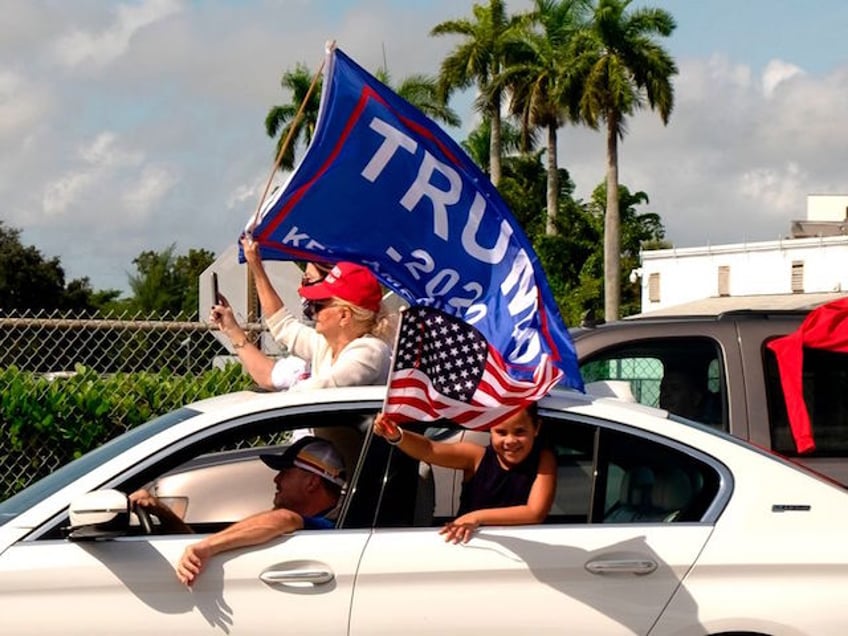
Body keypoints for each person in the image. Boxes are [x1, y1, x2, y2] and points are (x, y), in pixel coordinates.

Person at [129, 435, 346, 586]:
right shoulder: (305, 525)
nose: (276, 478)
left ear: (311, 482)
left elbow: (284, 518)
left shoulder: (329, 525)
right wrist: (161, 511)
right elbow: (199, 551)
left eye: (285, 472)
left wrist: (206, 547)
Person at [210, 235, 392, 391]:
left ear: (344, 316)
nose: (312, 311)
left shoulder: (370, 351)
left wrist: (267, 406)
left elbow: (322, 389)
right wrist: (256, 266)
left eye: (319, 305)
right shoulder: (328, 346)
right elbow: (283, 325)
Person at [372, 405, 556, 543]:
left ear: (536, 428)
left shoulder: (543, 460)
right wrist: (396, 435)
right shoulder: (476, 457)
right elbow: (430, 449)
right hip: (471, 546)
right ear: (490, 429)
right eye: (501, 432)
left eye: (520, 432)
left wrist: (475, 517)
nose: (510, 441)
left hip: (527, 552)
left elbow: (535, 512)